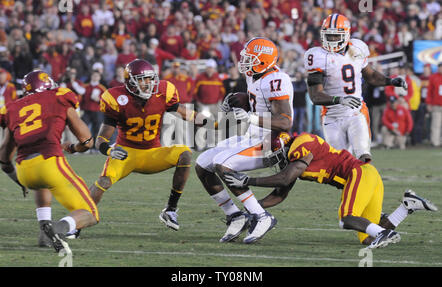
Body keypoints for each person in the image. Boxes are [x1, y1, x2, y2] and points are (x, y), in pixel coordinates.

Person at [223, 131, 437, 248]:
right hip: (367, 176)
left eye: (274, 153)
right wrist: (253, 209)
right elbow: (280, 193)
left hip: (359, 174)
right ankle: (406, 207)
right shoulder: (296, 158)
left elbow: (285, 177)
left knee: (347, 218)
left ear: (283, 147)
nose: (273, 159)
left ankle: (385, 233)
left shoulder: (300, 145)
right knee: (367, 237)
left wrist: (247, 180)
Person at [88, 59, 207, 232]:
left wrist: (212, 123)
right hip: (126, 153)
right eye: (142, 79)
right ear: (130, 81)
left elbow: (186, 114)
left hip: (152, 153)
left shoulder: (162, 92)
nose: (148, 84)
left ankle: (170, 210)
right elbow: (101, 139)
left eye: (150, 79)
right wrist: (109, 150)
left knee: (185, 154)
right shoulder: (116, 98)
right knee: (103, 181)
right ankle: (78, 220)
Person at [195, 37, 294, 244]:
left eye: (250, 58)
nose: (244, 61)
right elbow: (257, 102)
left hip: (270, 142)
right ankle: (235, 215)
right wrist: (240, 99)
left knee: (223, 163)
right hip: (252, 137)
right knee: (203, 164)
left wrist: (251, 117)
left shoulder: (276, 80)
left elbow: (285, 122)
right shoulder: (255, 76)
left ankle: (261, 216)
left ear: (263, 60)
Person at [0, 70, 99, 254]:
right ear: (49, 85)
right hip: (49, 161)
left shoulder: (12, 108)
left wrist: (18, 181)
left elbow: (4, 157)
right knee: (90, 213)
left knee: (41, 185)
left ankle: (44, 230)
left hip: (24, 170)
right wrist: (73, 148)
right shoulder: (59, 96)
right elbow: (87, 141)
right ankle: (57, 229)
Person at [304, 14, 408, 163]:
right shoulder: (317, 56)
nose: (331, 39)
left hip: (356, 112)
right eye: (329, 36)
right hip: (331, 116)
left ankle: (367, 184)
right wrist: (340, 100)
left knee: (363, 156)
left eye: (335, 36)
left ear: (346, 35)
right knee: (341, 163)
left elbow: (371, 76)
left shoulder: (357, 48)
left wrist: (390, 81)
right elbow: (315, 96)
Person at [0, 68, 17, 154]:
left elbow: (14, 99)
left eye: (2, 74)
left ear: (6, 76)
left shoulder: (11, 87)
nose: (0, 77)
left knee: (6, 132)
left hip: (7, 112)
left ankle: (5, 149)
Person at [426, 63, 442, 147]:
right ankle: (435, 142)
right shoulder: (433, 77)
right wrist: (429, 103)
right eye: (439, 67)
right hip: (436, 104)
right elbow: (429, 91)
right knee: (436, 124)